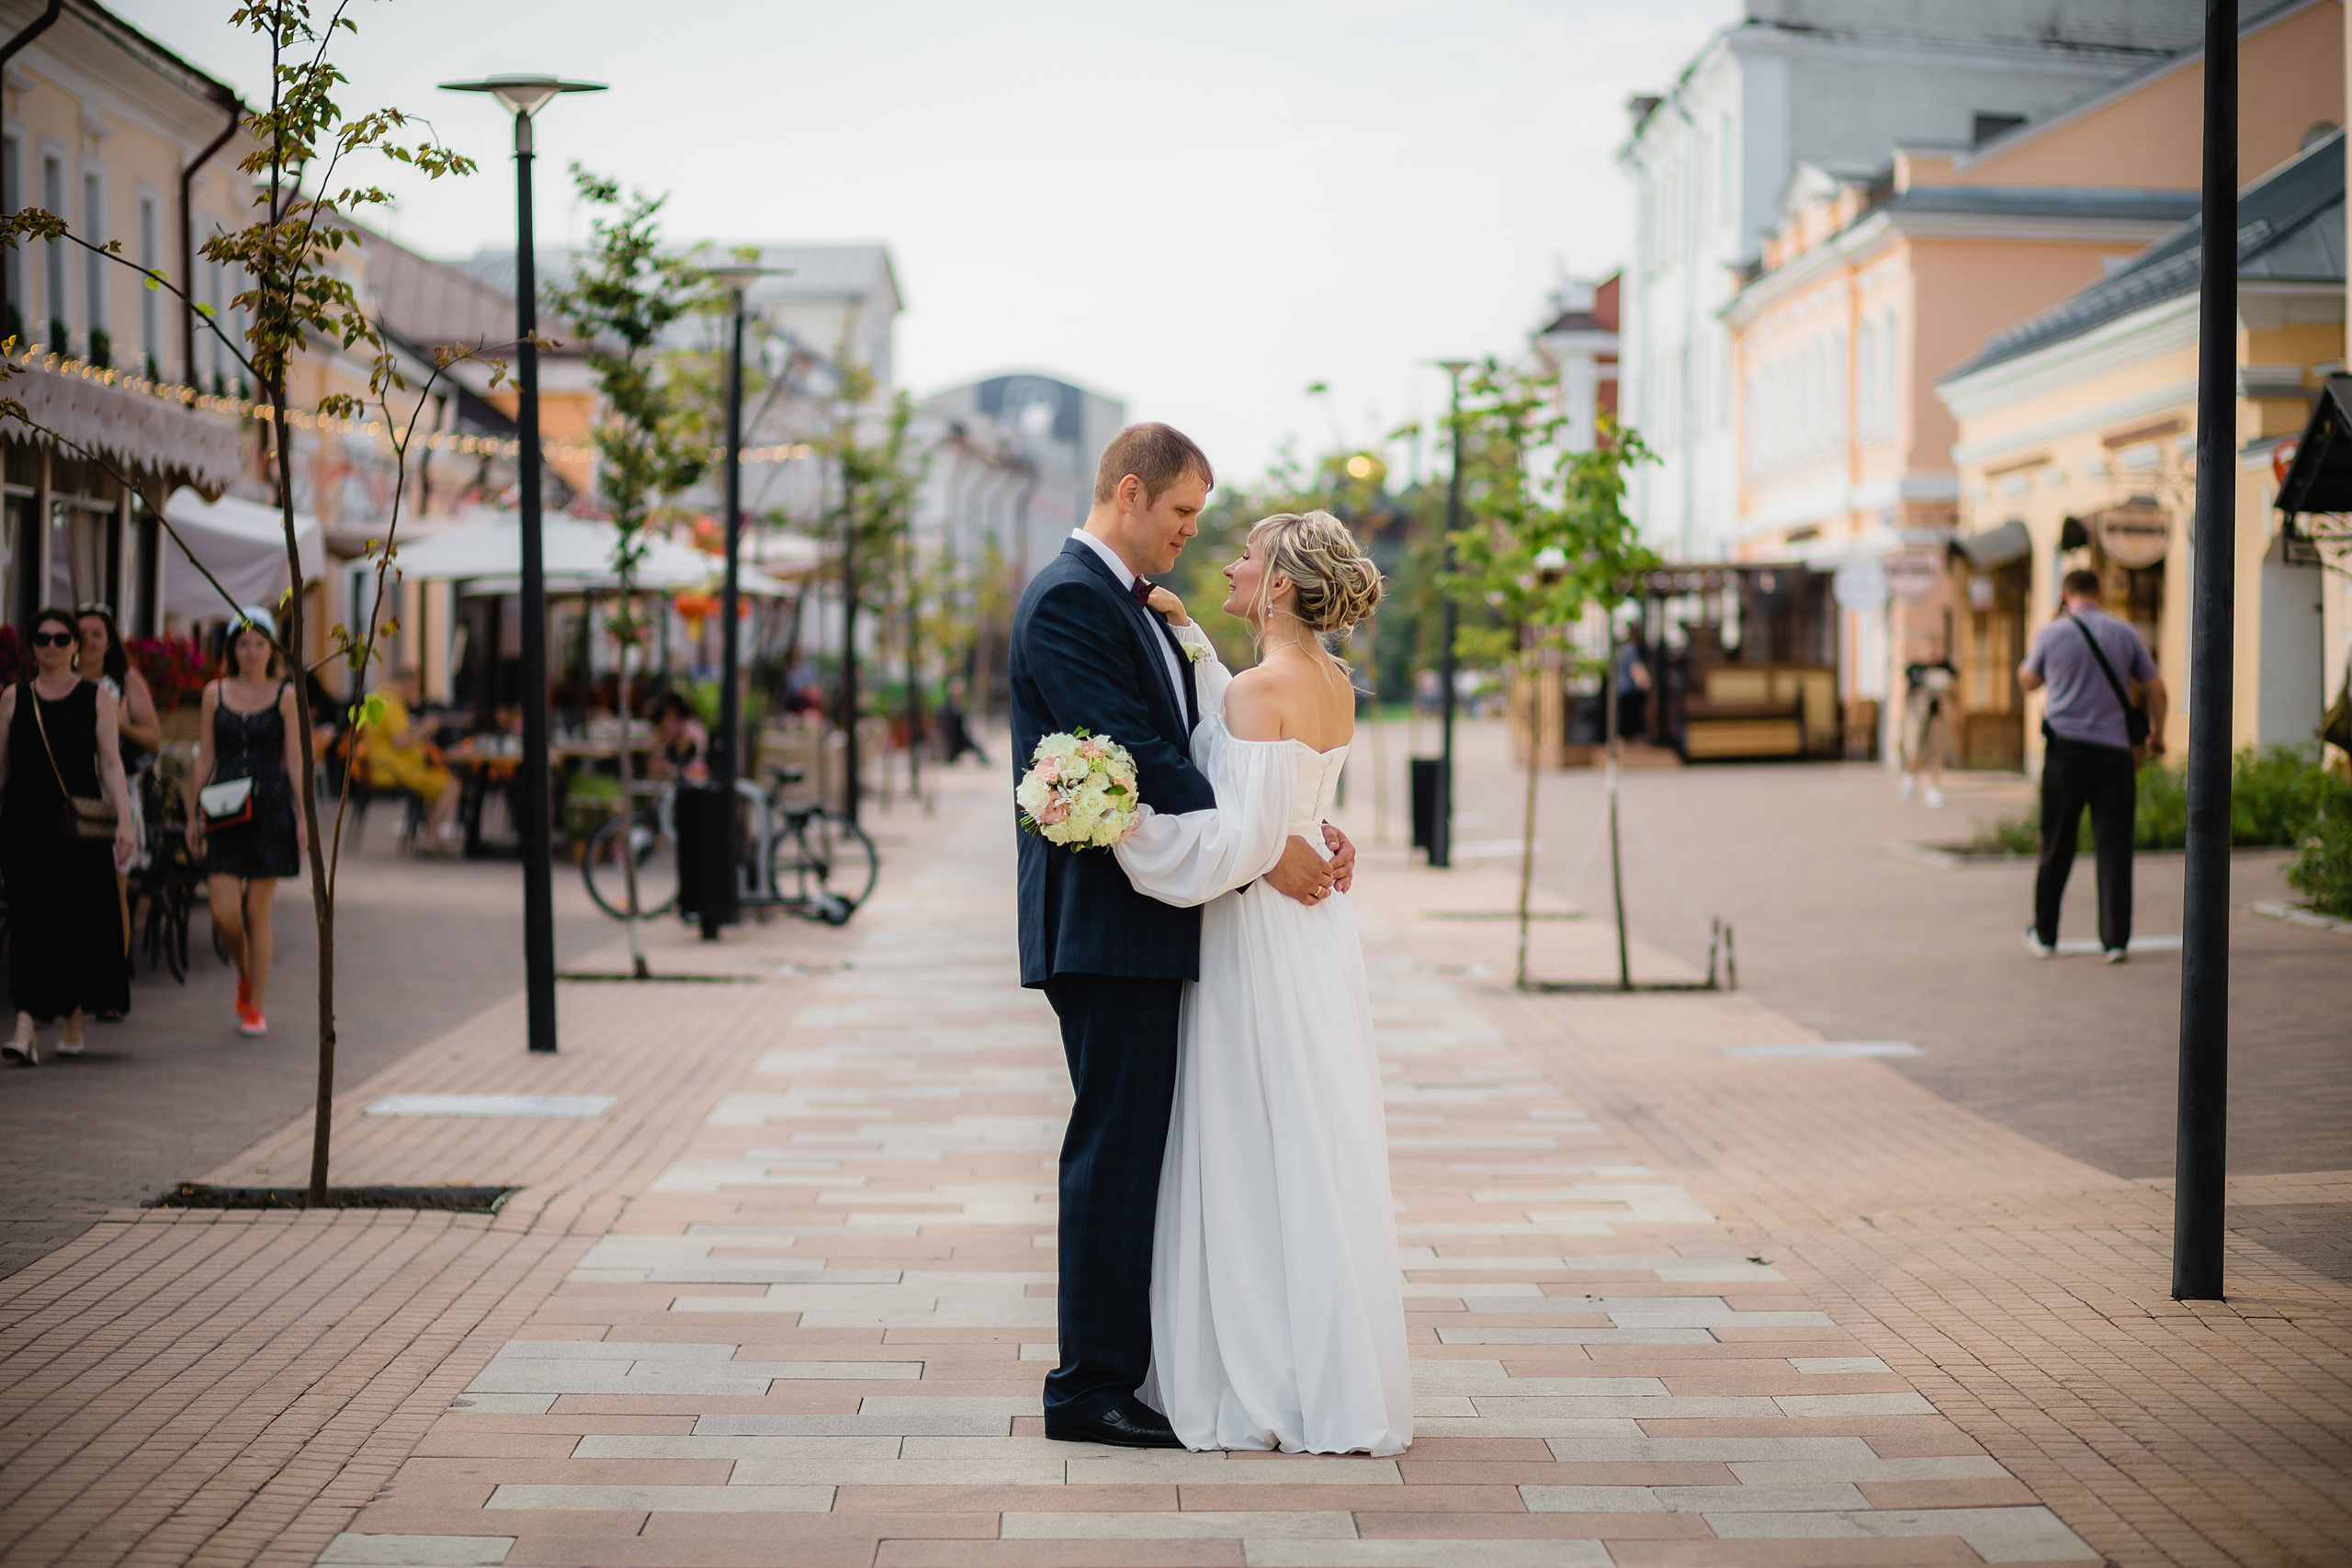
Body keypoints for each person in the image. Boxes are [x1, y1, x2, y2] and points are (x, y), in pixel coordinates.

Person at [1007, 423, 1355, 1451]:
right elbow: (1146, 754)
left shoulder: (1142, 607)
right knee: (1115, 1152)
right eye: (1181, 516)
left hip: (1155, 915)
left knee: (1143, 1152)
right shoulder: (1072, 598)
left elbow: (1205, 735)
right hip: (1107, 925)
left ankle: (1135, 1371)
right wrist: (1266, 844)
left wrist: (1285, 823)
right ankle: (1088, 1390)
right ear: (1127, 492)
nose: (1191, 539)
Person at [1114, 509, 1410, 1456]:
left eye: (1244, 556)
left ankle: (1258, 1377)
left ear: (1279, 584)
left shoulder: (1255, 689)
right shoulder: (1330, 683)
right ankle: (1324, 1366)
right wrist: (1193, 637)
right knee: (1310, 1136)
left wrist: (1114, 820)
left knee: (1245, 1138)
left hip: (1253, 932)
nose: (1228, 566)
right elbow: (1291, 798)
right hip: (1317, 935)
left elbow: (1239, 832)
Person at [0, 606, 141, 1063]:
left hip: (76, 827)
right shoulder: (11, 698)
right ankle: (24, 1026)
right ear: (32, 646)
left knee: (73, 919)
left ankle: (73, 1018)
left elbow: (111, 762)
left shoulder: (97, 697)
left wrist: (124, 818)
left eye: (63, 638)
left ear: (77, 646)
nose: (53, 646)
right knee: (26, 919)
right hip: (22, 825)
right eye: (44, 638)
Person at [2018, 570, 2166, 963]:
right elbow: (2156, 687)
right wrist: (2156, 734)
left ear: (2066, 593)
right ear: (2098, 594)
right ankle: (2115, 940)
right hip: (2114, 754)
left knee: (2056, 843)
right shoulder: (2124, 632)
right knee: (2114, 845)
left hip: (2065, 753)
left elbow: (2028, 682)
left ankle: (2045, 935)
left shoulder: (2052, 633)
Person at [187, 607, 306, 1036]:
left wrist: (303, 818)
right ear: (232, 648)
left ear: (271, 649)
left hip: (271, 808)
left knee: (258, 911)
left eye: (259, 644)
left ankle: (256, 1006)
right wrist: (191, 812)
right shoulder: (214, 693)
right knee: (224, 915)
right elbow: (206, 755)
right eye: (243, 643)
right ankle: (244, 972)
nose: (251, 652)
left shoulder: (286, 695)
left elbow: (294, 760)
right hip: (222, 808)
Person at [77, 604, 162, 1000]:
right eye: (82, 633)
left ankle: (112, 985)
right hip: (72, 796)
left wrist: (119, 721)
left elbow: (153, 739)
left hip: (116, 796)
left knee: (114, 893)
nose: (89, 641)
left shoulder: (124, 681)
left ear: (109, 640)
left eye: (97, 634)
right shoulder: (59, 679)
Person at [359, 666, 458, 852]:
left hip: (380, 766)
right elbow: (400, 742)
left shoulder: (377, 698)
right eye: (415, 687)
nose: (416, 694)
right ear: (407, 683)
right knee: (451, 785)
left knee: (437, 784)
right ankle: (430, 839)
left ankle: (430, 837)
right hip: (396, 770)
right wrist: (425, 728)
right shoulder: (393, 704)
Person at [1900, 652, 1958, 808]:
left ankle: (1933, 788)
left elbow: (1953, 691)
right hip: (1916, 716)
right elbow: (1906, 693)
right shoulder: (1915, 669)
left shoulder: (1944, 668)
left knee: (1935, 753)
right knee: (1914, 751)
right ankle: (1911, 777)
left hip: (1935, 717)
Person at [646, 690, 709, 781]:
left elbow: (682, 751)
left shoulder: (692, 728)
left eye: (669, 715)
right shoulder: (667, 732)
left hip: (692, 780)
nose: (666, 720)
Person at [934, 676, 989, 767]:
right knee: (973, 747)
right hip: (954, 740)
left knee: (976, 747)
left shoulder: (957, 706)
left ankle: (985, 760)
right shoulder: (948, 707)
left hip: (959, 739)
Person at [1612, 628, 1651, 741]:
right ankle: (1631, 738)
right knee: (1631, 716)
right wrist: (1645, 684)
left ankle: (1621, 738)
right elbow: (1636, 669)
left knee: (1622, 716)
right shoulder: (1630, 650)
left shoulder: (1619, 650)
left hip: (1619, 688)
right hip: (1629, 689)